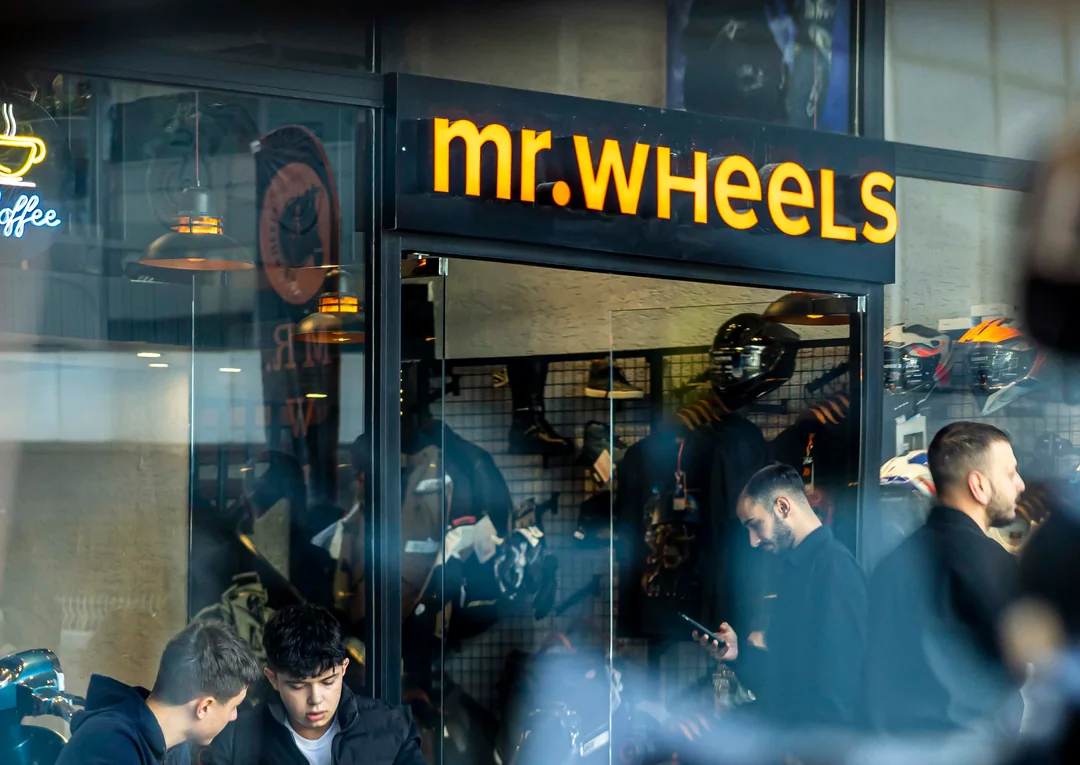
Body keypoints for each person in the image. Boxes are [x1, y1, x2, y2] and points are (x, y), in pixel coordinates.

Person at [864, 421, 1026, 736]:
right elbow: (1017, 664)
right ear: (978, 486)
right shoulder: (995, 564)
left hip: (894, 745)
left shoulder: (890, 564)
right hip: (975, 746)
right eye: (1010, 473)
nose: (1020, 484)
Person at [693, 462, 868, 729]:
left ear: (783, 507)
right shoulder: (794, 569)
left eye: (755, 525)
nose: (753, 541)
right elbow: (784, 678)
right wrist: (737, 654)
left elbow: (839, 691)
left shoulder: (835, 569)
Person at [208, 602, 425, 765]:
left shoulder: (393, 729)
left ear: (343, 668)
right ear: (273, 678)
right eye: (298, 686)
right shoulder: (235, 741)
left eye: (328, 682)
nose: (316, 699)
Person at [56, 619, 259, 765]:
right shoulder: (110, 745)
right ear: (204, 707)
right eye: (234, 706)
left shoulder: (176, 748)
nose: (234, 716)